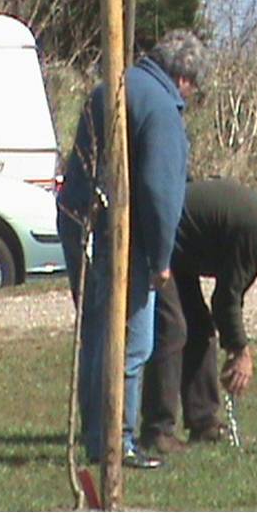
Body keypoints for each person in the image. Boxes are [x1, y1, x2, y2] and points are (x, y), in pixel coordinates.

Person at [56, 30, 208, 469]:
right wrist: (161, 259)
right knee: (131, 343)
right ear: (183, 77)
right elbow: (160, 192)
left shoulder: (113, 86)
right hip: (126, 240)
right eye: (193, 89)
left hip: (82, 221)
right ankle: (118, 439)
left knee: (97, 336)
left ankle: (94, 436)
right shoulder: (161, 110)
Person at [139, 178, 257, 453]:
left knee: (200, 329)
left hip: (181, 253)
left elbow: (228, 297)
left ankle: (204, 423)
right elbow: (226, 298)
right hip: (158, 240)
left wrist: (235, 346)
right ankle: (157, 431)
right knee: (173, 329)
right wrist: (240, 351)